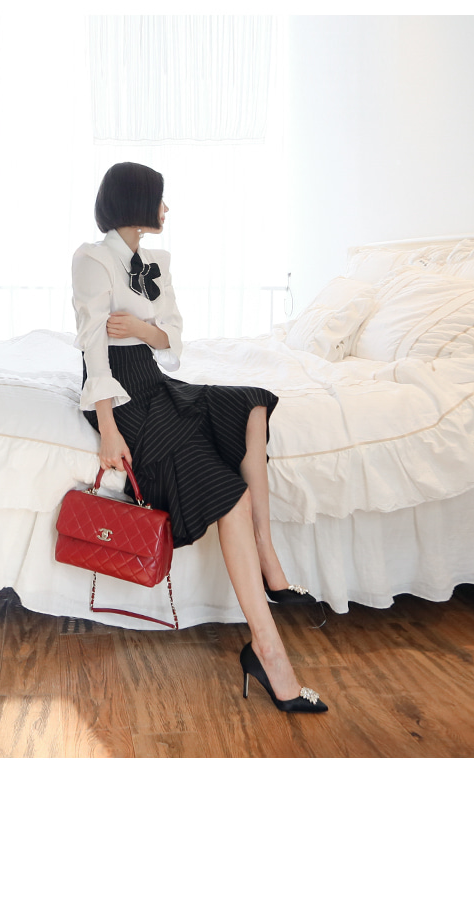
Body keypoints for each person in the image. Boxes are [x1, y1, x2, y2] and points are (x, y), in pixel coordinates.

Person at [71, 162, 328, 714]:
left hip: (154, 380)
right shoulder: (92, 258)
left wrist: (141, 328)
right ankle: (269, 653)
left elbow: (173, 339)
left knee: (252, 404)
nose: (166, 208)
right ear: (136, 201)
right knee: (228, 494)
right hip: (122, 398)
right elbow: (93, 344)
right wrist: (109, 428)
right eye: (160, 198)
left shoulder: (157, 262)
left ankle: (269, 558)